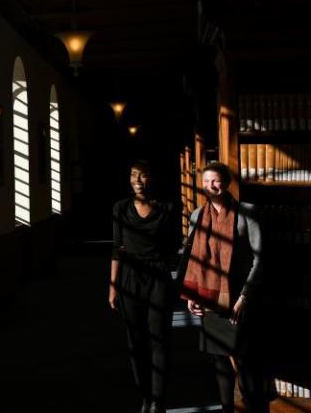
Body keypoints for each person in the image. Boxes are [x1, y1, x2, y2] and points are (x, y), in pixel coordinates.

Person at [181, 162, 272, 413]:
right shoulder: (197, 215)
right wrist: (192, 296)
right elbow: (193, 259)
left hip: (240, 300)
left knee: (245, 362)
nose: (211, 185)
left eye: (216, 180)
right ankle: (226, 409)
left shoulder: (247, 212)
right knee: (220, 363)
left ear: (227, 182)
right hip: (212, 299)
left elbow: (259, 259)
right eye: (207, 181)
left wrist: (244, 298)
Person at [110, 159, 181, 413]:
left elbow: (174, 248)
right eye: (133, 175)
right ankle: (145, 395)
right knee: (136, 341)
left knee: (159, 340)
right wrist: (113, 286)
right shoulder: (120, 209)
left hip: (158, 277)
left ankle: (158, 401)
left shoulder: (167, 209)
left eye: (142, 176)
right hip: (129, 277)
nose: (137, 181)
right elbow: (116, 249)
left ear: (152, 178)